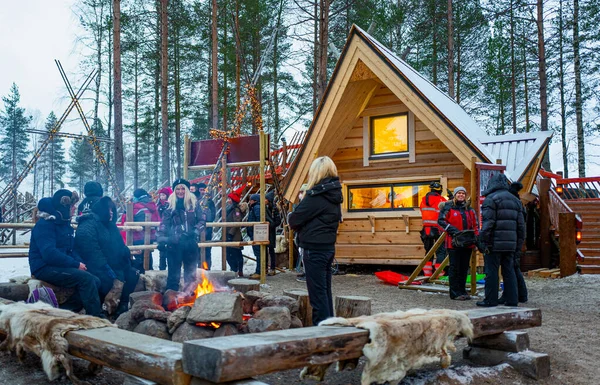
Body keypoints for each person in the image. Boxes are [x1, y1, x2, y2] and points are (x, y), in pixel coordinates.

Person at [28, 190, 103, 317]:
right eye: (71, 206)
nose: (74, 209)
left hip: (57, 265)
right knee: (86, 280)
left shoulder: (63, 224)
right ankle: (96, 316)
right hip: (43, 267)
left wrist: (80, 263)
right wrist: (74, 264)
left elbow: (71, 249)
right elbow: (49, 254)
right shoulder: (45, 225)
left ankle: (66, 311)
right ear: (64, 206)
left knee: (95, 280)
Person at [288, 156, 342, 325]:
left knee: (317, 296)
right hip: (327, 247)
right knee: (324, 291)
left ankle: (322, 332)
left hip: (313, 248)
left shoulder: (315, 196)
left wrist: (293, 214)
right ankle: (330, 326)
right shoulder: (334, 194)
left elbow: (295, 219)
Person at [74, 196, 139, 316]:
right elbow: (91, 251)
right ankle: (96, 309)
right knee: (105, 280)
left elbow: (120, 245)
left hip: (113, 263)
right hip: (95, 265)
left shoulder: (110, 225)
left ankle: (122, 306)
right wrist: (105, 266)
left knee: (133, 273)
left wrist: (127, 256)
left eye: (112, 210)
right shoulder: (88, 225)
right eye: (108, 210)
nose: (111, 213)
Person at [477, 174, 526, 307]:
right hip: (511, 243)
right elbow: (521, 226)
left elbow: (488, 224)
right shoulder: (515, 200)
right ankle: (512, 299)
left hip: (494, 243)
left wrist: (482, 241)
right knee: (509, 271)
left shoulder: (490, 199)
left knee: (491, 272)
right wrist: (518, 245)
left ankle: (490, 300)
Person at [158, 179, 207, 292]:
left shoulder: (194, 205)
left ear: (187, 190)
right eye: (178, 189)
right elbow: (164, 224)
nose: (180, 191)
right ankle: (171, 300)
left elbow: (202, 221)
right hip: (174, 244)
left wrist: (195, 231)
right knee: (173, 276)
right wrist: (161, 239)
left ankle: (189, 298)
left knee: (190, 275)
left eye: (183, 188)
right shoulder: (170, 206)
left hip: (190, 243)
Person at [438, 186, 479, 300]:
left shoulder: (469, 210)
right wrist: (454, 231)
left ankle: (462, 290)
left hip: (467, 243)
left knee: (464, 268)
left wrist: (476, 239)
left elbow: (475, 225)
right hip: (453, 243)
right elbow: (441, 221)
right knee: (454, 268)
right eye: (459, 193)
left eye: (463, 193)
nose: (461, 195)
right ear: (455, 195)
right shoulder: (448, 208)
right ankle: (454, 292)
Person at [498, 181, 528, 304]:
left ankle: (511, 294)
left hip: (511, 239)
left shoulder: (512, 204)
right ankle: (521, 294)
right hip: (516, 238)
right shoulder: (519, 204)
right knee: (514, 267)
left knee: (510, 269)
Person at [419, 182, 448, 274]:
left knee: (428, 252)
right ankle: (439, 273)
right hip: (438, 229)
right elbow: (448, 210)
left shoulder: (423, 200)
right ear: (439, 190)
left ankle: (427, 273)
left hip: (426, 230)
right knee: (441, 252)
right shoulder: (441, 199)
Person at [131, 188, 160, 271]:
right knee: (148, 255)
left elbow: (134, 220)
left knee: (139, 258)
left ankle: (142, 275)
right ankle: (149, 272)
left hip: (138, 236)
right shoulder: (152, 204)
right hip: (150, 236)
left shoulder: (136, 206)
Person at [225, 188, 244, 277]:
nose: (228, 201)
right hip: (228, 234)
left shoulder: (236, 210)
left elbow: (237, 221)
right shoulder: (229, 209)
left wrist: (230, 233)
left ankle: (238, 270)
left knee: (236, 254)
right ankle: (234, 269)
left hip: (234, 235)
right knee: (229, 254)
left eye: (229, 199)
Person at [197, 183, 216, 269]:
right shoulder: (196, 201)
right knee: (197, 249)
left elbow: (213, 215)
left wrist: (206, 219)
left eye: (203, 190)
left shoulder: (210, 202)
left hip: (207, 228)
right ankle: (199, 267)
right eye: (200, 190)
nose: (202, 192)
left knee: (207, 249)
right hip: (198, 229)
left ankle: (207, 268)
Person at [265, 191, 282, 276]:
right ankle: (265, 268)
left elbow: (278, 221)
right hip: (265, 231)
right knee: (264, 249)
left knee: (271, 250)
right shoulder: (264, 208)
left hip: (271, 231)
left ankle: (272, 268)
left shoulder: (274, 209)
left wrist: (271, 225)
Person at [156, 186, 172, 270]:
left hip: (169, 230)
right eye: (160, 195)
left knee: (170, 250)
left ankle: (171, 268)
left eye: (163, 195)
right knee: (161, 250)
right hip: (160, 230)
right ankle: (161, 268)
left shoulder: (170, 205)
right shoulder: (158, 205)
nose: (162, 197)